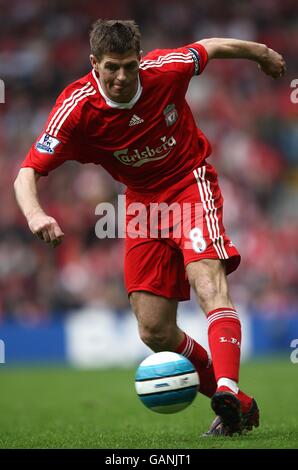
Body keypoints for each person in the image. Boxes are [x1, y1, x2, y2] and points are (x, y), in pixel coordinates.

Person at [14, 19, 286, 436]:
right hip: (142, 204)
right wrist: (36, 215)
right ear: (94, 65)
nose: (121, 76)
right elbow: (27, 173)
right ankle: (238, 405)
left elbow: (208, 46)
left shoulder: (166, 69)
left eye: (128, 66)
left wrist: (261, 53)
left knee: (207, 282)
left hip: (189, 185)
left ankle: (228, 386)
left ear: (140, 61)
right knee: (154, 330)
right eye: (111, 67)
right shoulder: (76, 108)